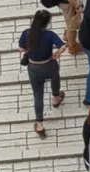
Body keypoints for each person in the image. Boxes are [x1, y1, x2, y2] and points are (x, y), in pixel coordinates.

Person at [17, 9, 66, 138]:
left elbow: (21, 48)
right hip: (49, 64)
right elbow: (62, 46)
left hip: (34, 67)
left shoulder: (27, 33)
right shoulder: (49, 35)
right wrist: (57, 54)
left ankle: (39, 124)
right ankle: (56, 98)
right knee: (55, 77)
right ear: (46, 23)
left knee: (38, 94)